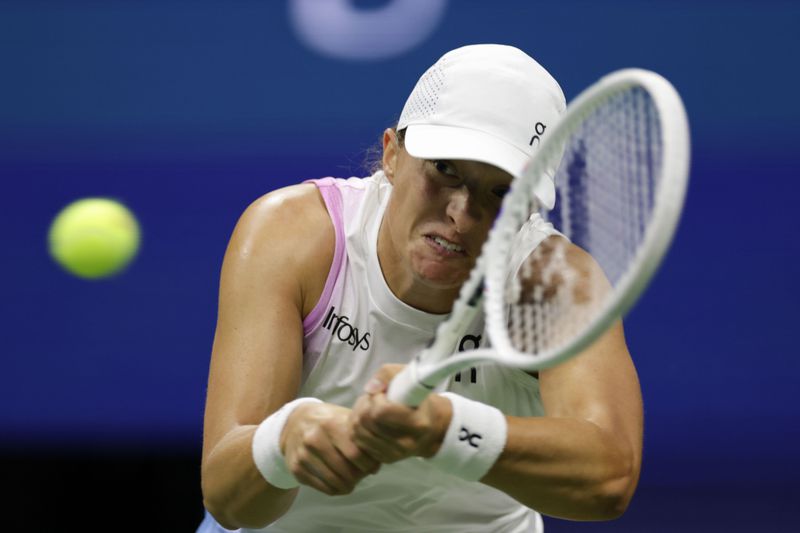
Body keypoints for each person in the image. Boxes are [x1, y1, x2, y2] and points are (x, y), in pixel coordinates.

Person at [197, 44, 643, 532]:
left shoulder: (552, 285)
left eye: (502, 193)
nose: (461, 215)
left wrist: (446, 429)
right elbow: (229, 498)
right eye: (445, 170)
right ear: (391, 153)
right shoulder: (293, 235)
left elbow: (609, 477)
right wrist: (283, 441)